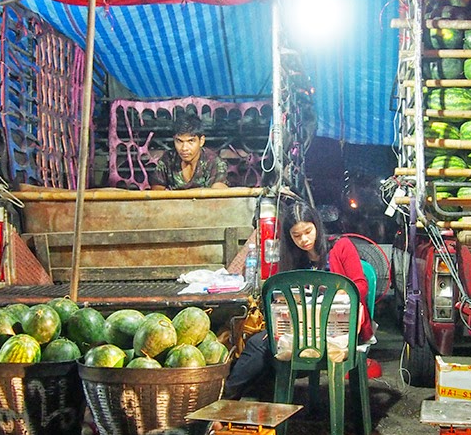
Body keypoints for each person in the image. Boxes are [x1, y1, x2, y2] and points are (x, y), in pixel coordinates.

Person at [222, 201, 374, 401]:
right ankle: (233, 402)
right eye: (296, 235)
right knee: (259, 344)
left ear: (317, 226)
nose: (304, 240)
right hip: (301, 328)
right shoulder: (293, 257)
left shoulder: (341, 246)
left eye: (308, 231)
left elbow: (361, 286)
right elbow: (280, 295)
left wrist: (339, 294)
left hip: (339, 330)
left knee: (264, 351)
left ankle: (229, 402)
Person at [150, 114, 228, 190]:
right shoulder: (168, 159)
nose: (184, 148)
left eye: (191, 141)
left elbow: (219, 192)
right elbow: (157, 190)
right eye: (179, 141)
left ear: (201, 141)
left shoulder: (213, 162)